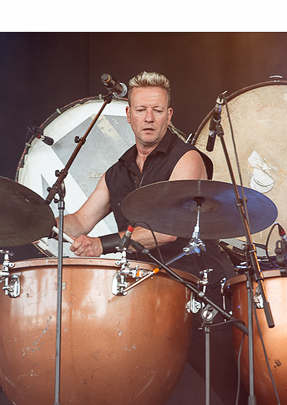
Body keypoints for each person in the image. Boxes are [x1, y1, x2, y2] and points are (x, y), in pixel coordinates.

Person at [62, 71, 228, 282]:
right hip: (140, 286)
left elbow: (166, 231)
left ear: (168, 116)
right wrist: (39, 222)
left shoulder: (187, 159)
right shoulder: (117, 172)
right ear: (129, 115)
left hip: (192, 286)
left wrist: (100, 245)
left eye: (157, 110)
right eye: (141, 110)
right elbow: (79, 221)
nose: (149, 118)